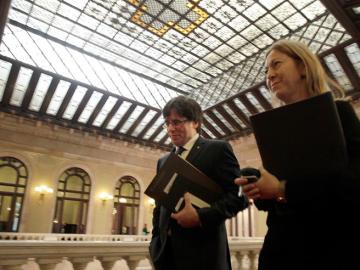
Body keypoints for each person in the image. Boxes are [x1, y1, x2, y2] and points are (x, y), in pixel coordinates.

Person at [235, 39, 360, 270]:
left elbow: (354, 184)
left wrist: (283, 189)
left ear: (303, 67)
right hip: (280, 251)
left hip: (330, 250)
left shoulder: (339, 113)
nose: (269, 75)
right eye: (266, 70)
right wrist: (260, 188)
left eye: (276, 64)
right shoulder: (275, 127)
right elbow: (275, 203)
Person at [149, 95, 248, 270]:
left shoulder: (217, 149)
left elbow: (239, 196)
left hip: (204, 256)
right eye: (167, 123)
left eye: (177, 122)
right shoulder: (163, 161)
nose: (171, 128)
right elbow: (159, 207)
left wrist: (201, 217)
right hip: (166, 257)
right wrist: (156, 242)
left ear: (195, 122)